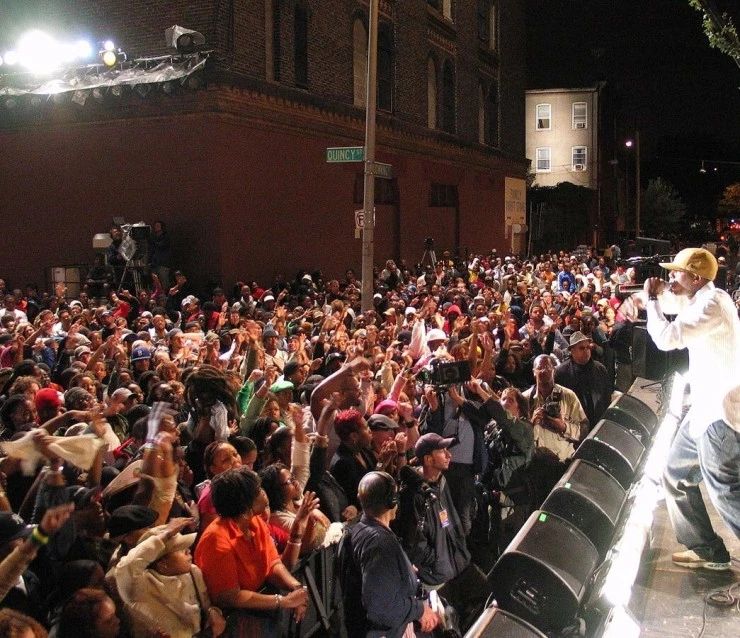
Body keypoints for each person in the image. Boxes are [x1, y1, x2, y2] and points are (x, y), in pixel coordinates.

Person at [644, 248, 740, 570]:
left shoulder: (713, 305)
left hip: (720, 417)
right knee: (675, 475)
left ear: (696, 277)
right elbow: (673, 304)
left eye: (676, 271)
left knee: (724, 492)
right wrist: (656, 295)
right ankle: (706, 550)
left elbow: (667, 338)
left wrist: (652, 301)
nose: (670, 275)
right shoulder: (700, 299)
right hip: (703, 412)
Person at [194, 467, 309, 636]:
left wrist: (296, 588)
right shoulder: (216, 540)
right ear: (246, 509)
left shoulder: (255, 522)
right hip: (236, 626)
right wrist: (283, 601)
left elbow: (273, 563)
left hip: (263, 615)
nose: (263, 492)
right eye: (258, 490)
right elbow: (230, 596)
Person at [337, 471, 438, 638]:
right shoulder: (380, 544)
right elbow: (381, 606)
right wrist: (419, 610)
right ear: (392, 501)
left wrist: (403, 571)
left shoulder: (357, 531)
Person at [554, 330, 612, 429]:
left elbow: (607, 396)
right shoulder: (561, 373)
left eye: (588, 347)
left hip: (598, 422)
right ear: (572, 351)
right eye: (581, 348)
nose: (586, 351)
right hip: (575, 425)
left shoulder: (600, 368)